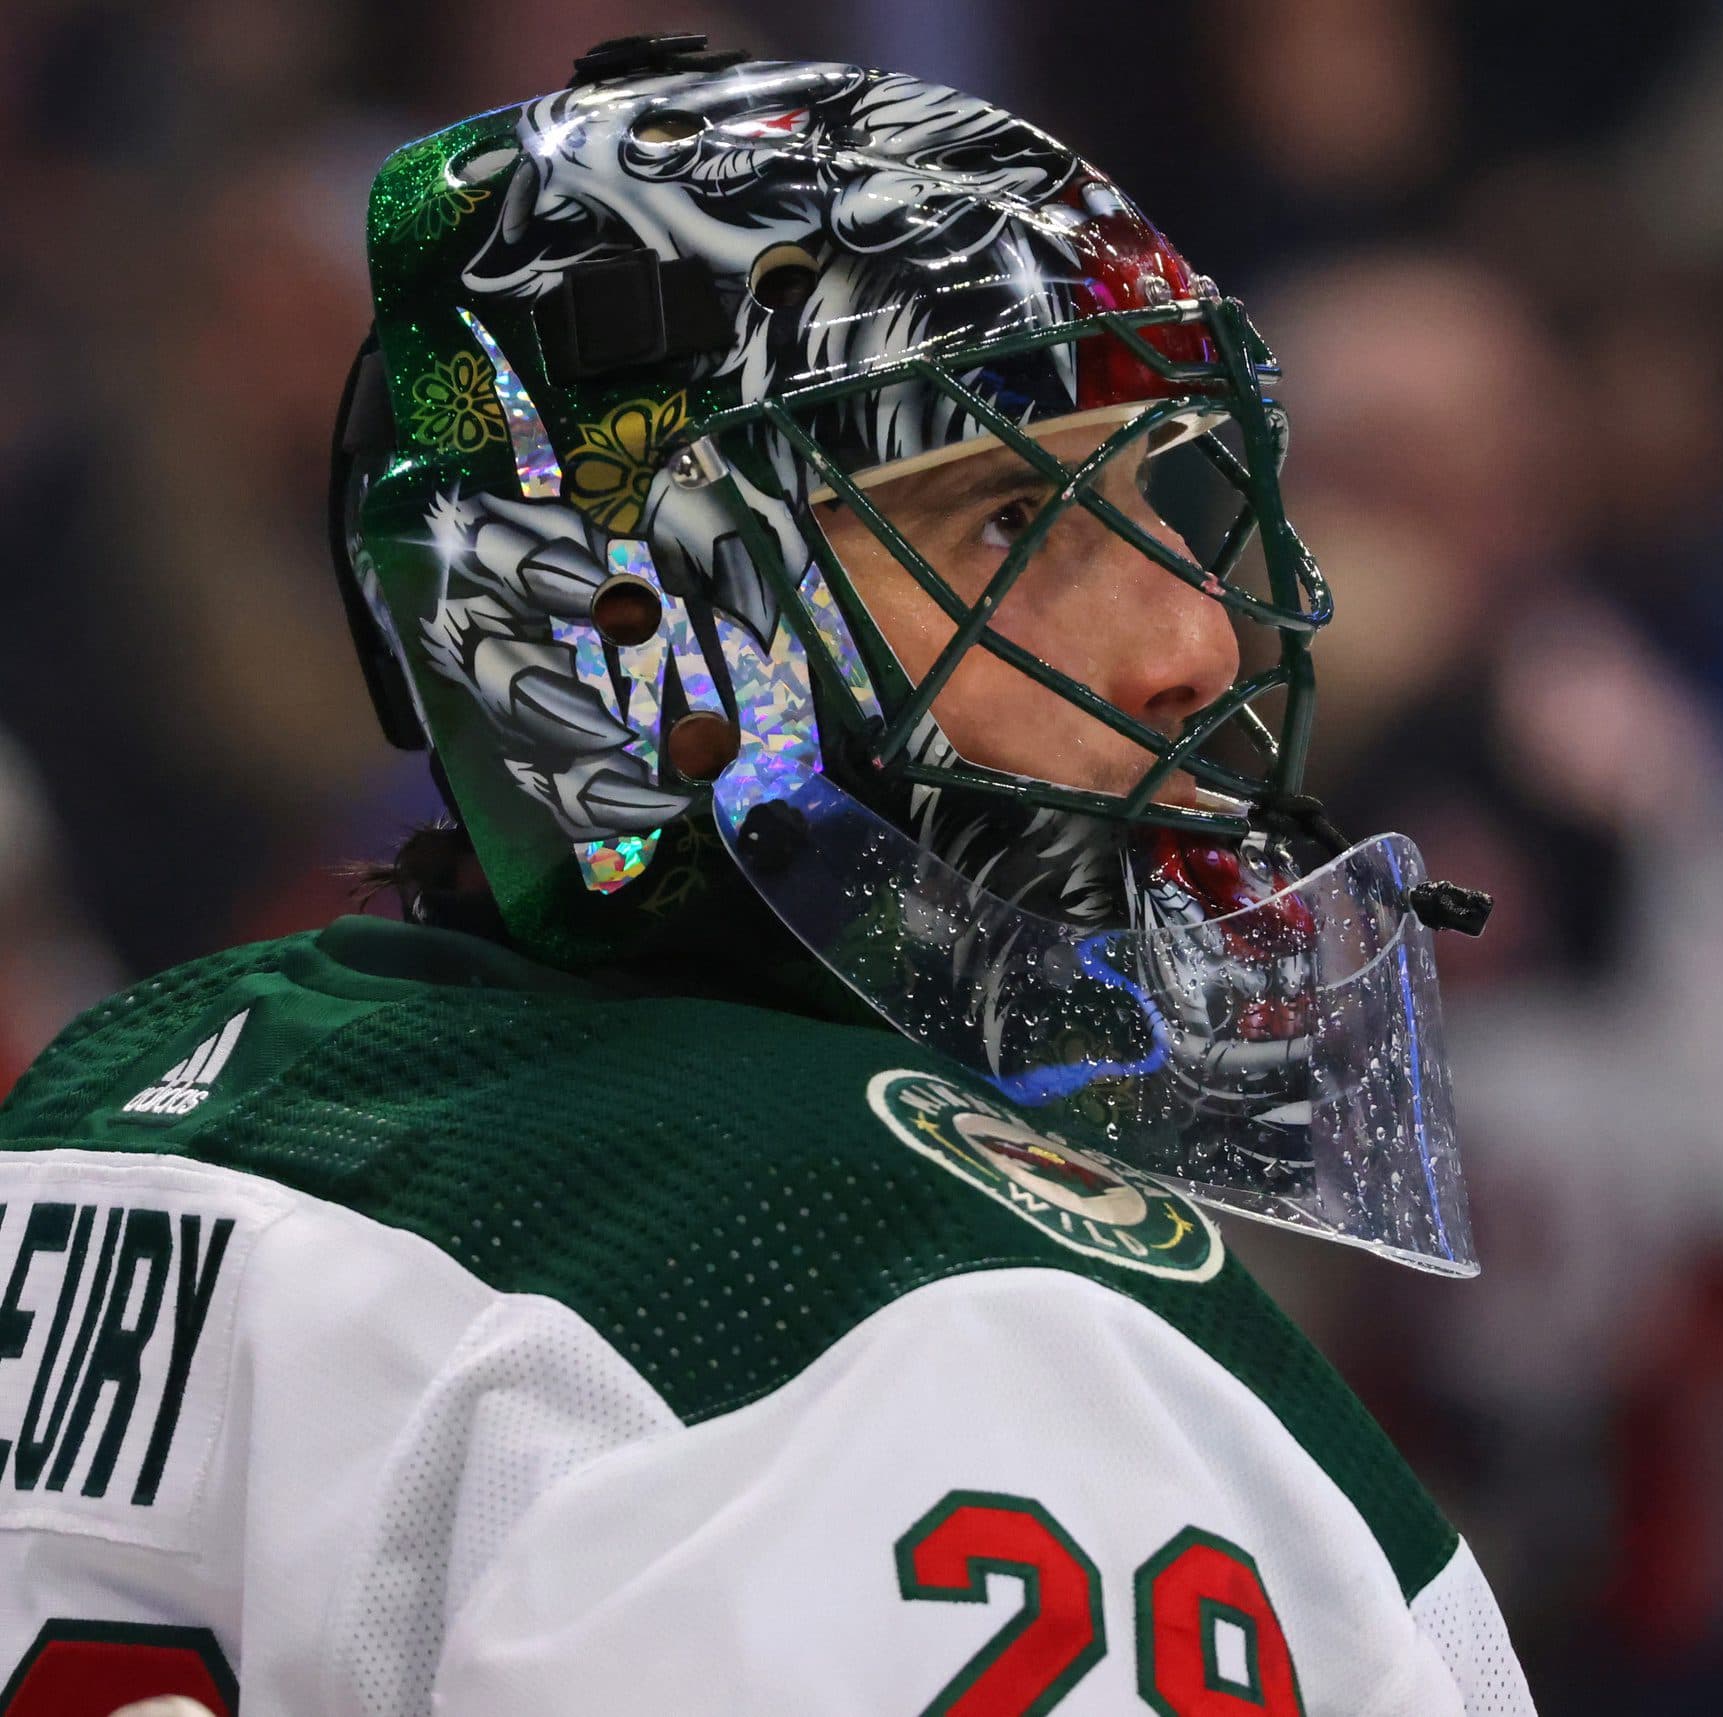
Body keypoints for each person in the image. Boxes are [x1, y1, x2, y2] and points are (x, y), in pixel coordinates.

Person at [0, 35, 1531, 1715]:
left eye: (1165, 498)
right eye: (1002, 527)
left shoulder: (108, 1101)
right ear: (615, 634)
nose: (1189, 640)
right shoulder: (912, 1297)